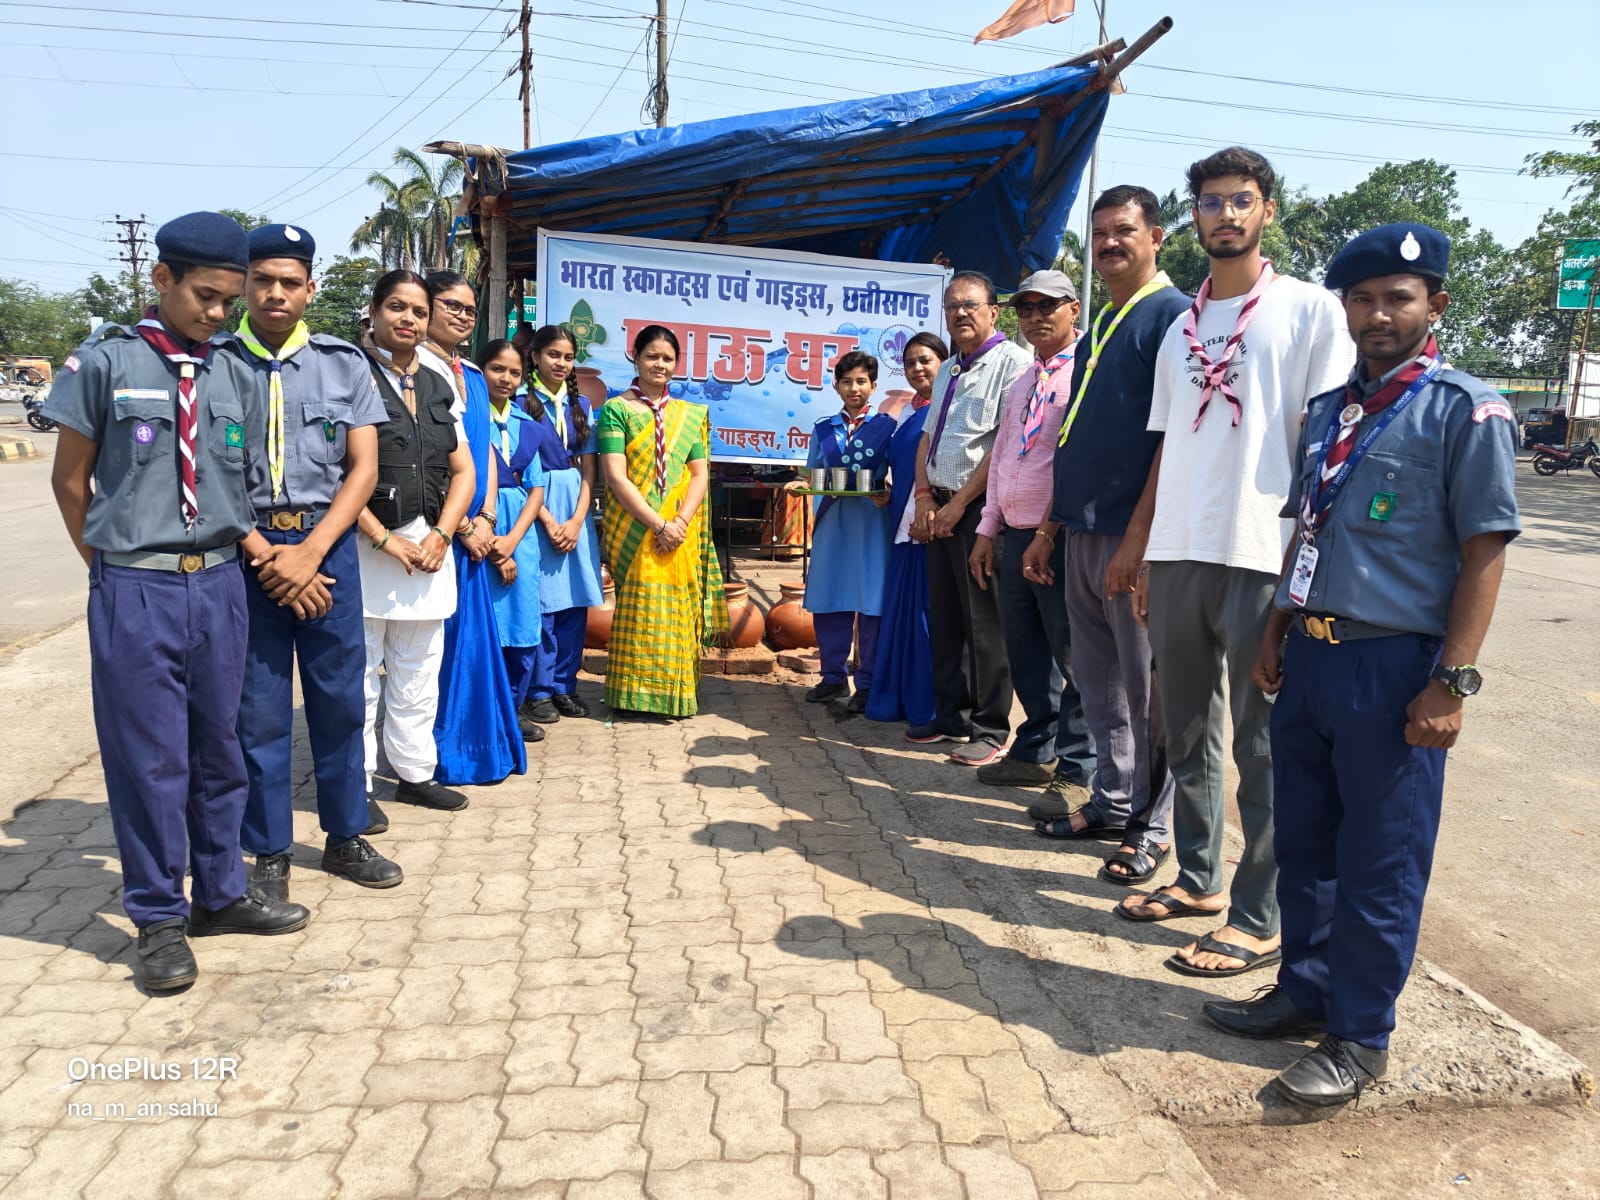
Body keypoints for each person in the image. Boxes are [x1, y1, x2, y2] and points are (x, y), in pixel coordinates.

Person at [1204, 224, 1520, 1106]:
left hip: (1393, 667)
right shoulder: (1330, 412)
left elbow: (1485, 551)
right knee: (1306, 840)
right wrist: (1276, 627)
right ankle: (1304, 991)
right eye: (1363, 299)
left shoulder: (1466, 411)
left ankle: (1360, 1035)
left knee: (1381, 857)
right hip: (1312, 655)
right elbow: (1309, 528)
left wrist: (1451, 683)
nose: (1379, 315)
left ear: (1435, 306)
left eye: (1398, 299)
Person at [42, 212, 309, 993]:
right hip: (138, 586)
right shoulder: (105, 362)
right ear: (162, 279)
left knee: (219, 750)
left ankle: (220, 895)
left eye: (229, 300)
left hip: (221, 582)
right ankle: (159, 917)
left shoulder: (232, 373)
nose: (218, 313)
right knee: (150, 759)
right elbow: (69, 481)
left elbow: (235, 487)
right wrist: (115, 569)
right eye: (205, 296)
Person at [1128, 148, 1356, 977]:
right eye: (1211, 201)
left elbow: (1329, 442)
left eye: (1241, 200)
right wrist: (1145, 548)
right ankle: (1199, 880)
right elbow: (1167, 449)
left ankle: (1261, 916)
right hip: (1180, 549)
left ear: (1267, 211)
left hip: (1265, 548)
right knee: (1187, 731)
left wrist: (1305, 558)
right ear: (1193, 215)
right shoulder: (1179, 327)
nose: (1225, 214)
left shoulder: (1309, 311)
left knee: (1263, 746)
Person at [226, 224, 401, 903]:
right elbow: (208, 472)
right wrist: (269, 555)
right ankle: (269, 850)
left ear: (310, 289)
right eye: (264, 280)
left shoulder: (343, 363)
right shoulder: (214, 364)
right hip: (247, 555)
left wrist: (308, 552)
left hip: (326, 552)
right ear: (245, 284)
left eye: (290, 282)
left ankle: (345, 834)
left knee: (338, 701)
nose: (276, 293)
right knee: (259, 711)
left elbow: (364, 470)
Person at [1021, 186, 1188, 883]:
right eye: (1100, 234)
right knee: (1098, 686)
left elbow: (1174, 441)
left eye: (1124, 230)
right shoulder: (1104, 323)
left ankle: (1153, 826)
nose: (1110, 243)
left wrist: (1139, 544)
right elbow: (1077, 436)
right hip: (1082, 533)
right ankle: (1114, 801)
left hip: (1132, 537)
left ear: (1156, 237)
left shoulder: (1173, 317)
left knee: (1149, 695)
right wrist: (1050, 529)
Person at [355, 270, 479, 809]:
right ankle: (356, 784)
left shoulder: (437, 380)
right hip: (365, 549)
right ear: (374, 311)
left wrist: (443, 534)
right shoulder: (350, 373)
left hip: (429, 548)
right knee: (360, 676)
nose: (409, 319)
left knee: (418, 669)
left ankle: (414, 772)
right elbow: (334, 474)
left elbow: (464, 470)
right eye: (397, 307)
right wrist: (384, 538)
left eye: (419, 311)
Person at [968, 270, 1095, 794]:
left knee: (1074, 655)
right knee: (1026, 652)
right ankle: (1036, 750)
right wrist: (987, 528)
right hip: (1016, 534)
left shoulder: (1087, 372)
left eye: (1048, 305)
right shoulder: (1024, 380)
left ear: (1074, 310)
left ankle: (1079, 768)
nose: (1036, 316)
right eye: (1026, 308)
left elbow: (1080, 462)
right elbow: (1002, 456)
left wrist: (1048, 531)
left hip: (1061, 538)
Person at [910, 271, 1032, 765]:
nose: (960, 313)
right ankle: (951, 717)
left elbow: (1003, 446)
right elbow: (927, 437)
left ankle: (990, 728)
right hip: (938, 505)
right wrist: (924, 497)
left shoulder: (1014, 364)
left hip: (979, 510)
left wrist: (959, 505)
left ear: (993, 311)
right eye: (952, 306)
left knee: (985, 622)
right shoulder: (948, 369)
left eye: (970, 304)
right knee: (946, 618)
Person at [419, 272, 531, 777]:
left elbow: (480, 450)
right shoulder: (415, 369)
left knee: (472, 646)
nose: (463, 315)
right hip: (435, 530)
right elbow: (425, 458)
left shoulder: (472, 374)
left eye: (469, 309)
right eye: (452, 305)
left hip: (475, 531)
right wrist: (461, 525)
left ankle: (479, 746)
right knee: (435, 652)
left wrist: (485, 517)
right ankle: (432, 755)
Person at [596, 325, 729, 719]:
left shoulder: (688, 415)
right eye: (652, 356)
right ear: (635, 358)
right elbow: (615, 477)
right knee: (641, 608)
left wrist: (680, 523)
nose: (660, 364)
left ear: (677, 364)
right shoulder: (617, 410)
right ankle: (632, 696)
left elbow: (700, 474)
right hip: (637, 529)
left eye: (668, 358)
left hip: (679, 532)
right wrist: (659, 525)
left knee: (676, 611)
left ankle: (675, 696)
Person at [518, 325, 605, 723]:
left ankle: (564, 686)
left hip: (575, 505)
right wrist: (550, 521)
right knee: (542, 602)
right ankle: (537, 690)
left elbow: (589, 470)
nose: (561, 363)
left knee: (574, 600)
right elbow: (519, 469)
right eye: (553, 354)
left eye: (568, 357)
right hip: (535, 504)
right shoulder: (519, 402)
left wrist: (577, 519)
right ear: (535, 356)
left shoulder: (581, 404)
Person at [803, 350, 896, 711]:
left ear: (874, 386)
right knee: (830, 599)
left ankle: (868, 683)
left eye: (861, 381)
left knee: (872, 603)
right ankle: (833, 678)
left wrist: (888, 492)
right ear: (836, 385)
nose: (854, 388)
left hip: (873, 524)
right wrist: (804, 488)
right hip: (833, 523)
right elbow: (814, 474)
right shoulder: (824, 429)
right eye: (846, 381)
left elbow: (899, 474)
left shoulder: (888, 427)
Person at [865, 332, 946, 729]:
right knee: (899, 619)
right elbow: (905, 469)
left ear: (944, 364)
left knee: (926, 623)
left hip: (930, 529)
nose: (917, 368)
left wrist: (925, 513)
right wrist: (889, 492)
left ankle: (925, 706)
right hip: (901, 529)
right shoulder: (907, 415)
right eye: (910, 362)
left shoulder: (948, 409)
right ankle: (892, 698)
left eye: (925, 360)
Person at [477, 338, 550, 727]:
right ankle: (485, 710)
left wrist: (511, 543)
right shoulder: (469, 419)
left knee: (522, 620)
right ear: (480, 370)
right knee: (485, 621)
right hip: (478, 528)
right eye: (497, 369)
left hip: (520, 533)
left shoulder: (528, 426)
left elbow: (536, 489)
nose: (506, 378)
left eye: (515, 372)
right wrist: (493, 545)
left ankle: (513, 708)